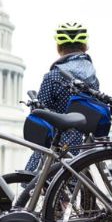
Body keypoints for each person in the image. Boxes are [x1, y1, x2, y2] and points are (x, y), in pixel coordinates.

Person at [26, 22, 98, 171]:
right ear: (85, 47)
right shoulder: (93, 79)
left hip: (56, 148)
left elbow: (40, 115)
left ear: (59, 48)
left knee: (32, 184)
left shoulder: (53, 77)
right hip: (84, 150)